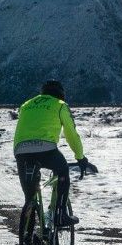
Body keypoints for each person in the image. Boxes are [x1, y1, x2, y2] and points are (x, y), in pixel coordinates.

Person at [13, 80, 95, 227]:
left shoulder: (26, 105)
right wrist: (80, 157)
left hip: (21, 151)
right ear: (61, 94)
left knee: (29, 197)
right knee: (63, 170)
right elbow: (71, 135)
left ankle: (28, 237)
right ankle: (60, 215)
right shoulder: (60, 105)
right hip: (46, 149)